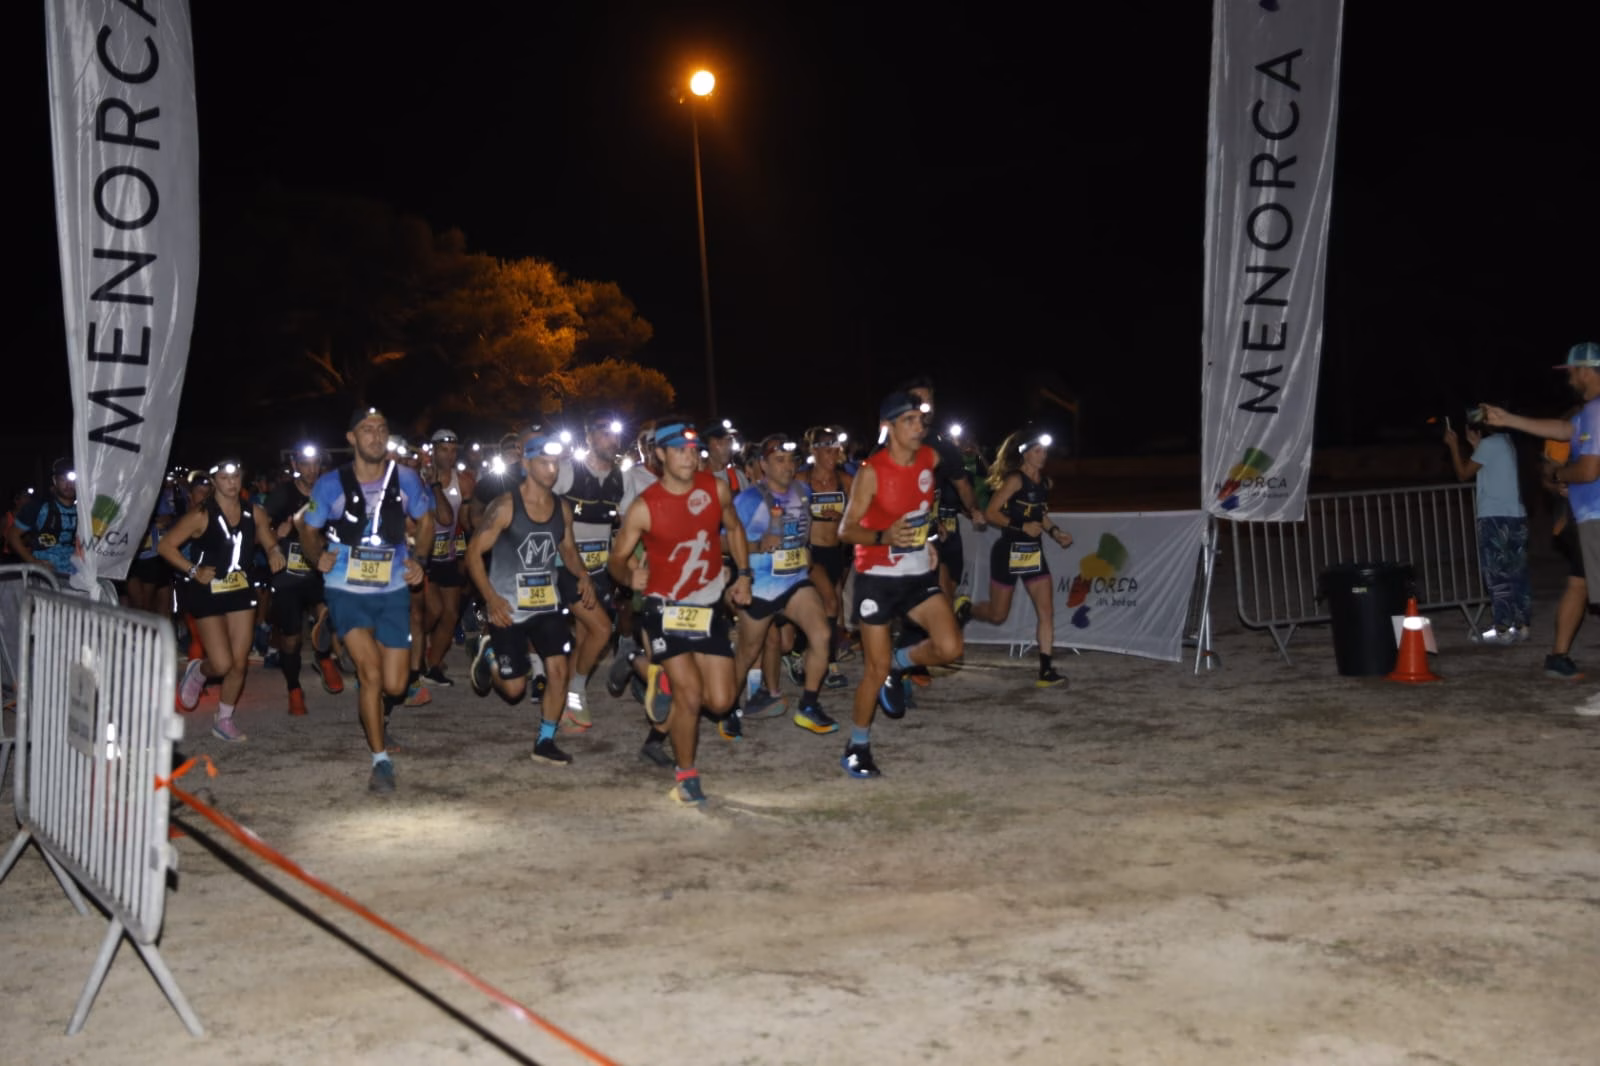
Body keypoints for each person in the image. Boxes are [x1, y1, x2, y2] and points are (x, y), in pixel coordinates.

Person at [608, 420, 753, 806]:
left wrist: (743, 574)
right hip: (664, 608)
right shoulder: (644, 507)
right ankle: (686, 777)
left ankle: (645, 665)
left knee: (721, 701)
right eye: (679, 450)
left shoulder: (715, 488)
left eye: (693, 450)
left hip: (707, 605)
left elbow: (734, 529)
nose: (689, 457)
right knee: (689, 697)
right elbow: (616, 561)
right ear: (659, 455)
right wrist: (629, 576)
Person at [299, 407, 435, 792]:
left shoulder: (405, 479)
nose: (376, 436)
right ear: (352, 438)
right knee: (370, 675)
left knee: (396, 684)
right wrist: (316, 556)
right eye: (367, 429)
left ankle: (329, 628)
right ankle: (380, 762)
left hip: (392, 590)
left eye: (382, 429)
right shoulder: (330, 484)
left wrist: (419, 561)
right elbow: (307, 530)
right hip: (347, 587)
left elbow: (426, 521)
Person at [835, 392, 965, 778]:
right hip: (877, 578)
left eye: (920, 419)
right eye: (908, 419)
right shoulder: (872, 471)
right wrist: (884, 537)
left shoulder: (930, 458)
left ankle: (901, 663)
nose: (918, 426)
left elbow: (923, 506)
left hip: (916, 573)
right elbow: (846, 530)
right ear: (887, 427)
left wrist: (930, 537)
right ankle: (856, 746)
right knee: (872, 670)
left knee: (950, 646)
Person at [1481, 341, 1600, 715]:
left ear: (1585, 370)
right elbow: (1563, 429)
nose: (1569, 379)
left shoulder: (1597, 410)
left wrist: (1558, 473)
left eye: (1571, 372)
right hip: (1590, 517)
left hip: (1598, 517)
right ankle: (1558, 656)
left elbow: (1589, 470)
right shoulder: (1586, 415)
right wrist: (1510, 420)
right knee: (1583, 587)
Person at [464, 430, 594, 766]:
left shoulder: (562, 508)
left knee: (558, 669)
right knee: (514, 690)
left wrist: (583, 577)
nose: (552, 469)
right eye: (544, 462)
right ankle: (490, 651)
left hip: (547, 604)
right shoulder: (506, 506)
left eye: (556, 463)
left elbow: (568, 550)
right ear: (526, 463)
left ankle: (545, 740)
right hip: (508, 607)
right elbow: (473, 554)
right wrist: (490, 598)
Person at [159, 459, 286, 741]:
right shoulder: (200, 515)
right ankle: (200, 671)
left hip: (240, 589)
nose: (232, 482)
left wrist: (275, 549)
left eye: (236, 476)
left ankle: (224, 719)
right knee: (221, 663)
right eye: (225, 477)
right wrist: (193, 570)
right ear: (214, 481)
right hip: (208, 591)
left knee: (239, 662)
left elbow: (267, 537)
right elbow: (165, 545)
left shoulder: (254, 512)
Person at [730, 434, 840, 734]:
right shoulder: (748, 500)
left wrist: (805, 550)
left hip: (794, 581)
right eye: (779, 460)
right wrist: (757, 545)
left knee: (821, 634)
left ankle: (809, 705)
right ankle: (727, 706)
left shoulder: (803, 492)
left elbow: (804, 530)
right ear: (763, 465)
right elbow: (724, 544)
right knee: (748, 652)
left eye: (791, 460)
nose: (787, 466)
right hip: (761, 585)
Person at [959, 429, 1073, 686]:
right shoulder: (1015, 480)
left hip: (1033, 553)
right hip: (1008, 552)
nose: (1042, 456)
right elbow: (990, 513)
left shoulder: (1043, 483)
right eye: (1037, 451)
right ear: (1025, 453)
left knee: (1047, 612)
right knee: (999, 615)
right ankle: (967, 609)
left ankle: (1046, 671)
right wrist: (1020, 528)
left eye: (1044, 451)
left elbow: (1039, 515)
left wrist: (1055, 532)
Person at [262, 443, 345, 716]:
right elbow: (259, 524)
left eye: (315, 464)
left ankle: (323, 659)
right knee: (291, 640)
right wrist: (276, 534)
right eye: (305, 464)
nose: (311, 470)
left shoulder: (328, 493)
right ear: (296, 465)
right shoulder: (282, 494)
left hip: (317, 572)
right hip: (287, 576)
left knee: (328, 616)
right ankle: (294, 689)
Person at [1443, 409, 1531, 644]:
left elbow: (1463, 474)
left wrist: (1453, 445)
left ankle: (1502, 628)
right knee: (1516, 573)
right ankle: (1521, 625)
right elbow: (1490, 468)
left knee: (1497, 573)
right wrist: (1475, 446)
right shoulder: (1505, 442)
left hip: (1494, 517)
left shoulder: (1490, 445)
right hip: (1516, 516)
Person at [420, 428, 475, 688]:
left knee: (451, 614)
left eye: (454, 450)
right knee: (433, 611)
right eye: (444, 450)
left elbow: (463, 520)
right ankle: (412, 655)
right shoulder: (419, 479)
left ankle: (432, 666)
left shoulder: (462, 480)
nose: (449, 455)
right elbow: (440, 518)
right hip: (424, 555)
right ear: (433, 451)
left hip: (449, 554)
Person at [1537, 418, 1586, 679]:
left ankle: (1558, 656)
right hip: (1581, 520)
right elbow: (1548, 475)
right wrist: (1560, 483)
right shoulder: (1572, 424)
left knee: (1579, 585)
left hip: (1583, 520)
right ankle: (1558, 656)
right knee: (1579, 585)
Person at [6, 458, 80, 580]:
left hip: (75, 578)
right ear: (55, 481)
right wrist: (33, 562)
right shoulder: (38, 507)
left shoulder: (83, 511)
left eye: (72, 480)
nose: (68, 484)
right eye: (63, 479)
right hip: (45, 579)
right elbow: (12, 535)